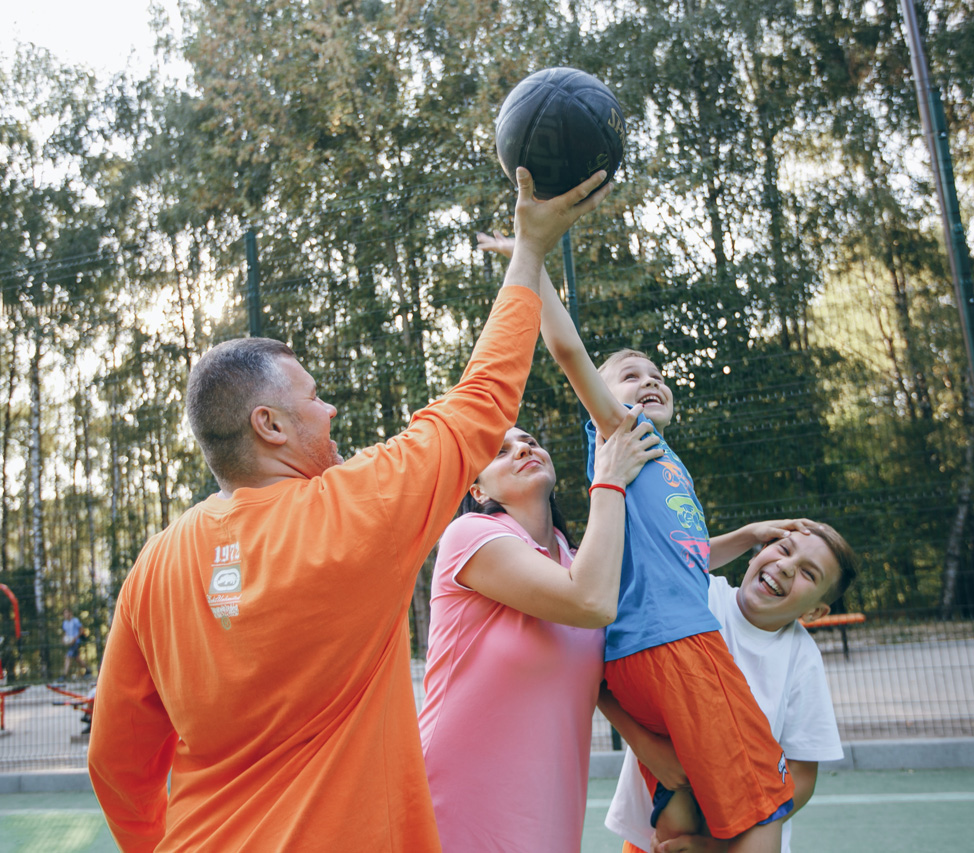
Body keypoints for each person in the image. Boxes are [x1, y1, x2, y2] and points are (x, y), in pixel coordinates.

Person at [87, 168, 611, 853]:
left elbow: (115, 759)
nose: (329, 408)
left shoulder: (153, 565)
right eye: (314, 396)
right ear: (270, 425)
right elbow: (483, 399)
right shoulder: (354, 510)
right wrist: (530, 249)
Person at [475, 231, 792, 853]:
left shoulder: (666, 464)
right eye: (628, 375)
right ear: (606, 394)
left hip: (638, 660)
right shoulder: (622, 433)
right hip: (679, 647)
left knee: (683, 813)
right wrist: (530, 257)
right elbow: (566, 349)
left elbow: (688, 558)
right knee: (766, 809)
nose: (648, 381)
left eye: (655, 375)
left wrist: (749, 535)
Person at [419, 418, 662, 852]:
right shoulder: (469, 535)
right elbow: (591, 603)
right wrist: (608, 480)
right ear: (479, 491)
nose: (522, 449)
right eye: (500, 450)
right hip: (457, 791)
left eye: (529, 441)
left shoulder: (578, 561)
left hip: (550, 801)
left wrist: (754, 537)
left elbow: (658, 572)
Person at [604, 521, 858, 853]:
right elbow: (660, 559)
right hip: (657, 834)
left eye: (809, 573)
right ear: (756, 553)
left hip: (739, 841)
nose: (785, 567)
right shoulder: (697, 596)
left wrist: (715, 846)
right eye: (783, 549)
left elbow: (802, 775)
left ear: (814, 612)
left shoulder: (802, 657)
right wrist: (647, 749)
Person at [61, 608, 83, 680]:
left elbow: (81, 630)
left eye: (66, 613)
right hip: (70, 643)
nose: (65, 615)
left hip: (76, 642)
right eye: (64, 613)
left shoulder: (75, 621)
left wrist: (75, 638)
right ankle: (88, 670)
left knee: (68, 657)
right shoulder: (65, 623)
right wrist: (64, 639)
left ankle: (64, 675)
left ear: (70, 613)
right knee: (77, 658)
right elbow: (66, 633)